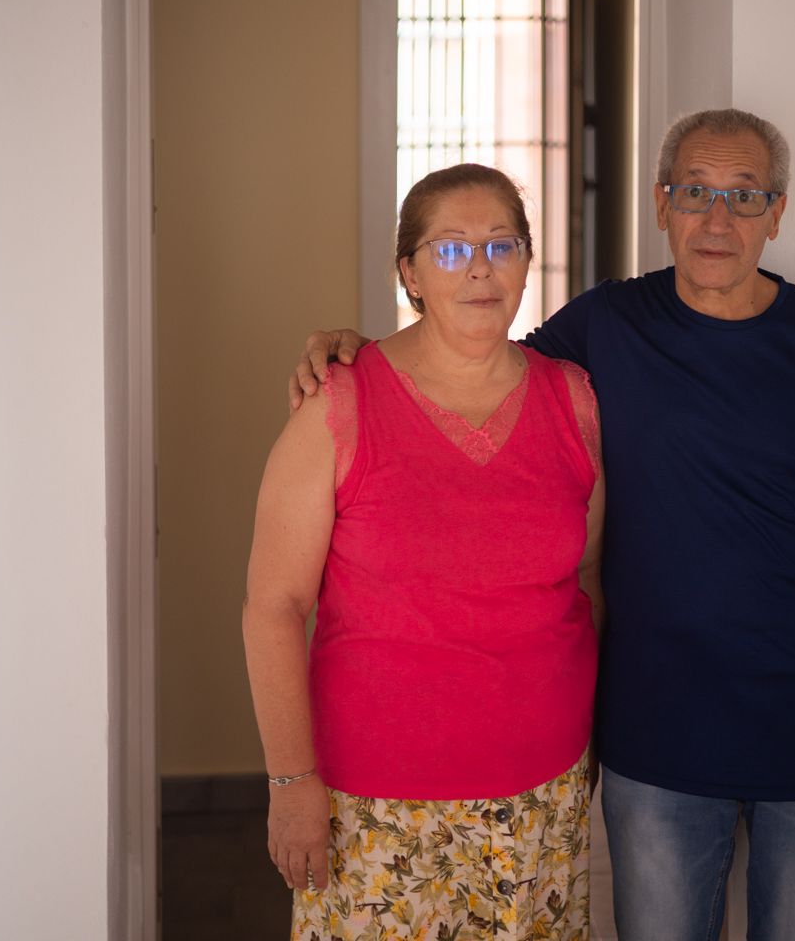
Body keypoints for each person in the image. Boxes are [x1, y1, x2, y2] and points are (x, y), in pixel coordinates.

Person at [289, 109, 795, 941]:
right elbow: (467, 352)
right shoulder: (606, 328)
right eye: (695, 191)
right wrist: (357, 352)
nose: (717, 219)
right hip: (656, 729)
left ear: (778, 211)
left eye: (743, 196)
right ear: (662, 203)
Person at [244, 163, 606, 941]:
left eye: (501, 245)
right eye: (449, 249)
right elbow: (273, 607)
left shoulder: (572, 398)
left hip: (541, 797)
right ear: (407, 271)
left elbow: (585, 580)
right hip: (371, 803)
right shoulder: (339, 403)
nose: (479, 267)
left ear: (526, 263)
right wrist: (291, 782)